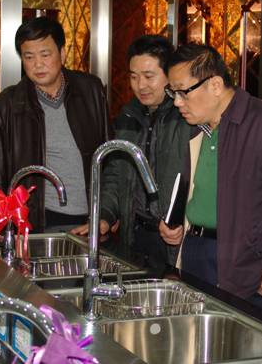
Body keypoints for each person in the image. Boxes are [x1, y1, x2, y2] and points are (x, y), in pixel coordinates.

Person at [162, 43, 262, 314]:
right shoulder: (196, 127)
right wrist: (176, 223)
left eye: (183, 92)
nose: (177, 102)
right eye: (172, 93)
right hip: (194, 251)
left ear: (215, 85)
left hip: (246, 264)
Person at [72, 35, 193, 268]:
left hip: (175, 237)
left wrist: (182, 221)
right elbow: (115, 174)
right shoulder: (128, 116)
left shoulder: (185, 117)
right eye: (134, 77)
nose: (140, 85)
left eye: (149, 76)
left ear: (169, 75)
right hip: (135, 234)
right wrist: (105, 216)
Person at [0, 17, 110, 232]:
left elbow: (109, 157)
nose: (38, 64)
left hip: (91, 219)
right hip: (39, 220)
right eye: (29, 57)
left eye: (45, 54)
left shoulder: (91, 90)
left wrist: (109, 213)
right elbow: (0, 177)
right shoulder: (7, 105)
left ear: (62, 54)